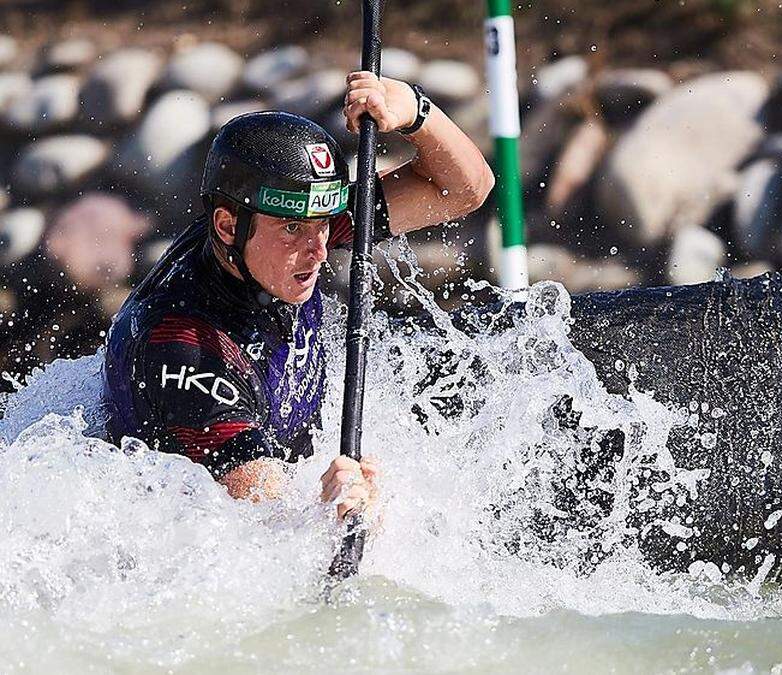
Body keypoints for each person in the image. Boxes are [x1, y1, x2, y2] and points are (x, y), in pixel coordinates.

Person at [102, 72, 493, 518]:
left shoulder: (267, 234)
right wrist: (338, 511)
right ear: (227, 226)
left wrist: (413, 111)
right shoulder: (184, 350)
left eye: (324, 222)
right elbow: (275, 528)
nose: (320, 249)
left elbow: (465, 189)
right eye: (294, 229)